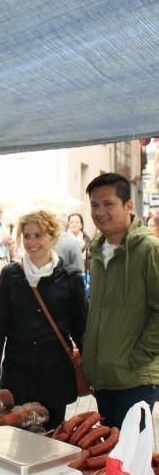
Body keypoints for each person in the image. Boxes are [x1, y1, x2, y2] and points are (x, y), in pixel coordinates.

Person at [0, 210, 87, 430]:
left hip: (56, 375)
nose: (32, 242)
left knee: (55, 437)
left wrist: (93, 371)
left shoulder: (70, 277)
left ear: (52, 237)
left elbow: (81, 329)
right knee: (18, 441)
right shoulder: (11, 275)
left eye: (38, 235)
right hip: (18, 375)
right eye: (27, 236)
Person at [82, 173, 159, 428]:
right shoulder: (96, 250)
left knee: (130, 458)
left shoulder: (148, 249)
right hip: (103, 378)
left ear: (128, 205)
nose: (100, 212)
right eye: (94, 205)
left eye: (108, 204)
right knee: (109, 455)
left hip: (136, 379)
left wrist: (137, 356)